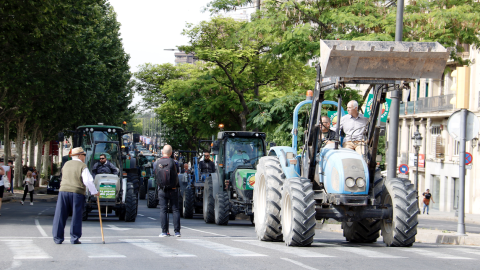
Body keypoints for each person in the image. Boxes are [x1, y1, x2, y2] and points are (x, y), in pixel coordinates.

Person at [52, 147, 99, 244]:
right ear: (80, 155)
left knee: (60, 214)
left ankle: (57, 237)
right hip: (77, 192)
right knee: (76, 215)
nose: (85, 157)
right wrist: (94, 192)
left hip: (63, 191)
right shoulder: (82, 166)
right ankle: (74, 238)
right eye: (84, 155)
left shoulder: (66, 164)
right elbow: (87, 180)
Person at [154, 145, 181, 237]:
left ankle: (164, 231)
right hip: (173, 189)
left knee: (163, 210)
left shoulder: (156, 163)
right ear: (171, 153)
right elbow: (177, 173)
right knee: (175, 210)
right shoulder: (175, 162)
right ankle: (177, 232)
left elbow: (155, 174)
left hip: (162, 189)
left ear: (162, 152)